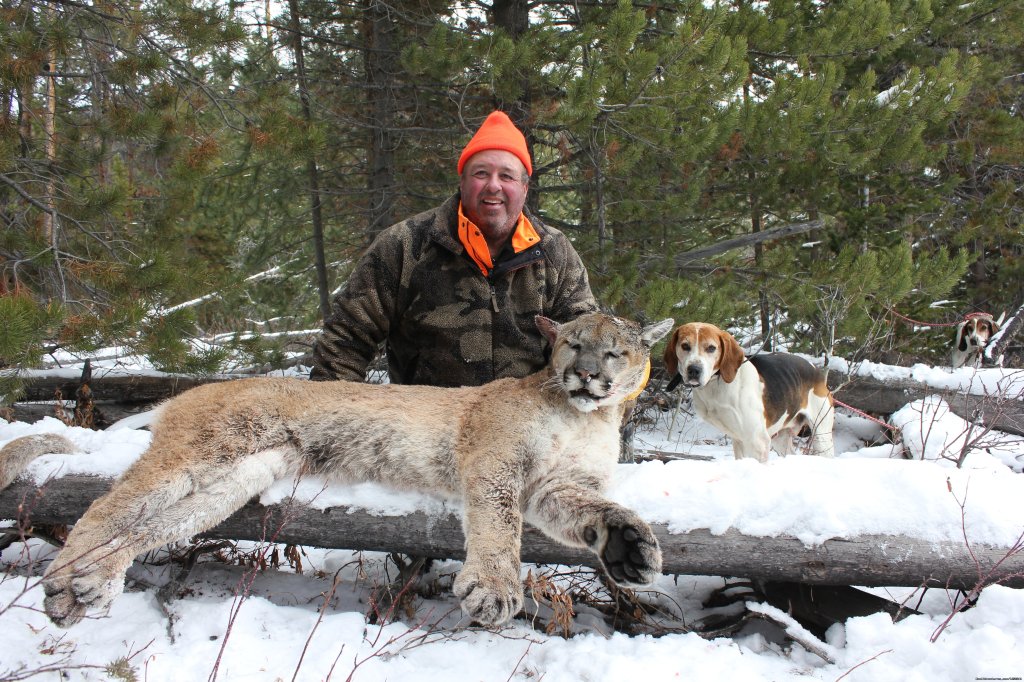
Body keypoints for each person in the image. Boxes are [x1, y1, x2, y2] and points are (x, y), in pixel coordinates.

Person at [310, 110, 599, 386]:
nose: (493, 186)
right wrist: (337, 423)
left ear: (525, 187)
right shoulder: (404, 246)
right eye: (481, 173)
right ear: (462, 182)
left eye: (507, 176)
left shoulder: (554, 253)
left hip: (528, 426)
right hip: (425, 426)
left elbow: (590, 344)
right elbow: (345, 341)